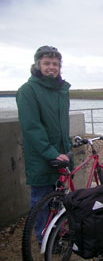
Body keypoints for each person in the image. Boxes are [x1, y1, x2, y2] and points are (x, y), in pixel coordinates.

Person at [16, 45, 72, 242]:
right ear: (38, 65)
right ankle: (44, 239)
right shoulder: (27, 91)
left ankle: (57, 232)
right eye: (47, 63)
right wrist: (51, 153)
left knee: (59, 199)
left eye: (55, 64)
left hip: (62, 155)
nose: (51, 67)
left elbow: (62, 125)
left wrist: (68, 147)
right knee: (41, 200)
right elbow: (32, 128)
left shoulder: (62, 91)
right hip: (41, 158)